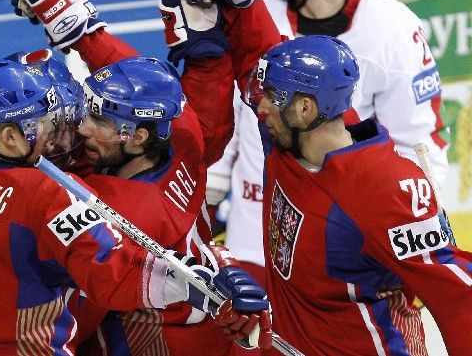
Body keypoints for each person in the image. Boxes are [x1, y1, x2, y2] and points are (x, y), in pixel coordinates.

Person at [0, 52, 271, 355]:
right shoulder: (49, 196)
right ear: (11, 138)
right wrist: (203, 284)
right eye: (49, 126)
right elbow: (116, 276)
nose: (64, 136)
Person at [10, 0, 278, 355]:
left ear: (136, 137)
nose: (83, 128)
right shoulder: (180, 138)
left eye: (99, 120)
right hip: (197, 322)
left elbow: (72, 321)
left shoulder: (117, 208)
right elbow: (152, 78)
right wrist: (84, 34)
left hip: (159, 341)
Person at [204, 0, 450, 289]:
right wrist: (209, 198)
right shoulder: (256, 11)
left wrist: (418, 243)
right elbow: (231, 112)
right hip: (253, 237)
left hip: (341, 247)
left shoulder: (390, 28)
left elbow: (418, 142)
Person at [184, 31, 472, 354]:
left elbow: (460, 297)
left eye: (272, 96)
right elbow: (256, 45)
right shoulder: (285, 142)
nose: (261, 106)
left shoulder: (384, 188)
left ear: (305, 108)